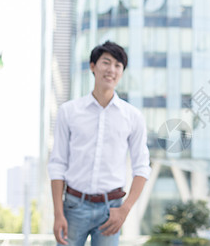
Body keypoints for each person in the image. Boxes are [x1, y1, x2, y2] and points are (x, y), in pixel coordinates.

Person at [48, 41, 151, 246]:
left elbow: (142, 168)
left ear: (122, 72)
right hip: (73, 207)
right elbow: (57, 164)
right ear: (93, 66)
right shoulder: (69, 111)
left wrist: (124, 209)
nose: (111, 70)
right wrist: (58, 214)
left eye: (118, 65)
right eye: (106, 62)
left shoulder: (133, 117)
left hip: (111, 211)